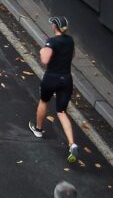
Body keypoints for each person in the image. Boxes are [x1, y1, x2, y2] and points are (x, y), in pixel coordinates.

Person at [28, 16, 80, 164]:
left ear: (54, 27)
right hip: (66, 79)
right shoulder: (70, 40)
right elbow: (72, 55)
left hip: (51, 78)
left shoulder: (52, 41)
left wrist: (42, 51)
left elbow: (44, 60)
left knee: (44, 101)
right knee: (61, 112)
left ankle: (38, 130)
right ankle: (72, 144)